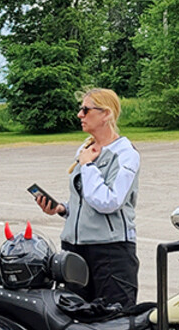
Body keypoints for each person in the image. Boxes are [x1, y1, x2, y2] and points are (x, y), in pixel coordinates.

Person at [36, 88, 141, 309]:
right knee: (72, 319)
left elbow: (108, 202)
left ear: (106, 114)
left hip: (110, 252)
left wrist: (88, 165)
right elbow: (85, 201)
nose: (79, 115)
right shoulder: (86, 149)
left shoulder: (125, 154)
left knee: (114, 320)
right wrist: (62, 209)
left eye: (85, 109)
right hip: (75, 249)